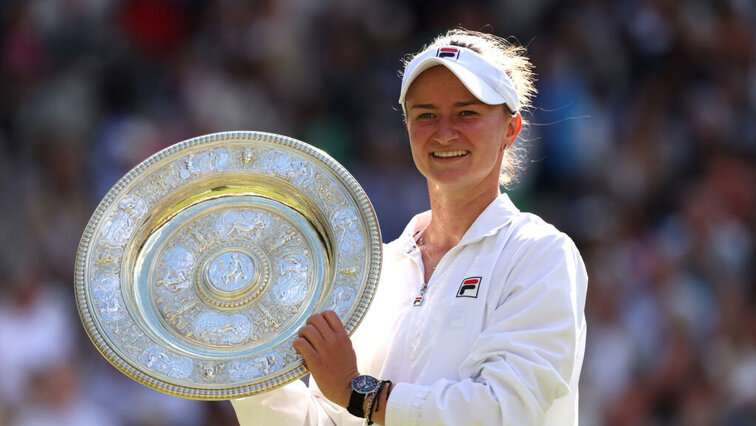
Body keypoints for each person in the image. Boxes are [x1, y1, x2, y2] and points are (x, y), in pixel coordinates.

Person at [232, 28, 588, 425]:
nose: (444, 131)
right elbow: (330, 418)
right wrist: (246, 356)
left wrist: (357, 392)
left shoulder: (540, 253)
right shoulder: (374, 272)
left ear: (510, 129)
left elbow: (502, 412)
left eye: (467, 112)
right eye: (426, 114)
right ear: (407, 127)